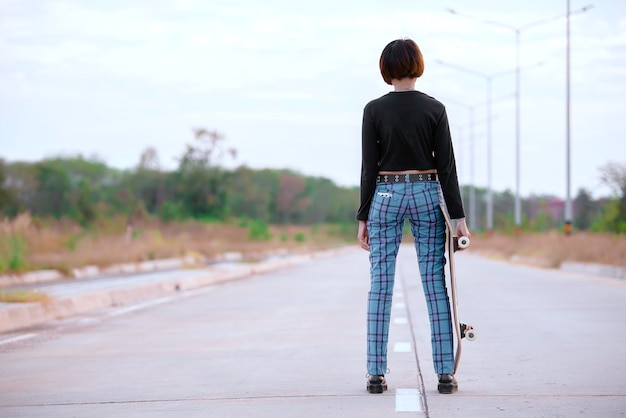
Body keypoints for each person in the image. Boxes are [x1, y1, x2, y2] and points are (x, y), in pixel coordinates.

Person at [356, 38, 471, 395]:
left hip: (386, 194)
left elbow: (368, 168)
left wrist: (363, 216)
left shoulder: (373, 110)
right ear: (417, 65)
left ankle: (376, 373)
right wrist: (457, 218)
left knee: (381, 284)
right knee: (434, 283)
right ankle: (444, 374)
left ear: (385, 69)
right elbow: (447, 167)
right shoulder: (434, 109)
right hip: (426, 191)